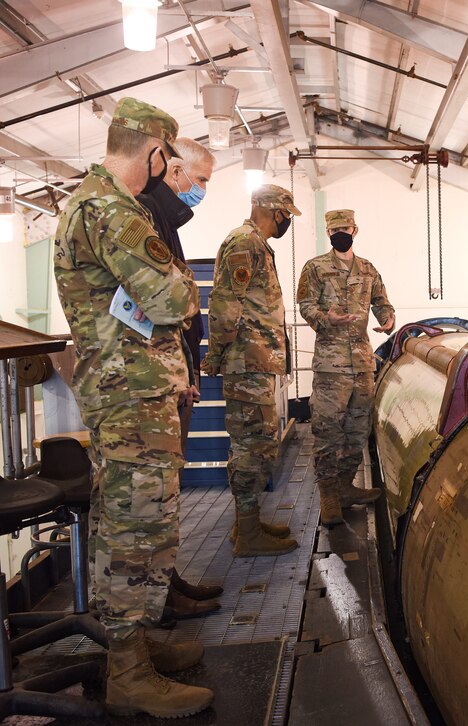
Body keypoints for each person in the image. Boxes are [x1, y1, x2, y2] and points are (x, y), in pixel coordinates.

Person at [53, 96, 214, 718]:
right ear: (154, 153)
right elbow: (174, 298)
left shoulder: (89, 206)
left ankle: (139, 643)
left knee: (137, 519)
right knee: (134, 527)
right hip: (130, 394)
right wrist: (179, 290)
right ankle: (128, 670)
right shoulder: (113, 212)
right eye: (167, 160)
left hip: (128, 391)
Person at [136, 137, 222, 622]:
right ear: (172, 169)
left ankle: (168, 584)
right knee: (151, 503)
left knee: (166, 498)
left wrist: (186, 368)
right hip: (145, 385)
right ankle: (153, 606)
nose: (202, 190)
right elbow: (166, 304)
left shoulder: (164, 219)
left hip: (171, 376)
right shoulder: (141, 215)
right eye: (201, 179)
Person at [202, 185, 299, 557]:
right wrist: (217, 353)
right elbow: (226, 304)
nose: (286, 220)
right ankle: (246, 533)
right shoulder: (245, 243)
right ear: (273, 211)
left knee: (257, 441)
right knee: (251, 445)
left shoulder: (255, 243)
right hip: (247, 362)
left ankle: (248, 522)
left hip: (257, 361)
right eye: (285, 213)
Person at [296, 209, 395, 525]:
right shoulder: (315, 268)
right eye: (335, 229)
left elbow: (382, 302)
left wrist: (389, 320)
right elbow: (306, 305)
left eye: (346, 228)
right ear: (328, 233)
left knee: (357, 430)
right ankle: (329, 498)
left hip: (363, 365)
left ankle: (346, 487)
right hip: (331, 366)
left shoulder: (367, 269)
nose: (341, 233)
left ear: (355, 229)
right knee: (327, 431)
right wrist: (327, 319)